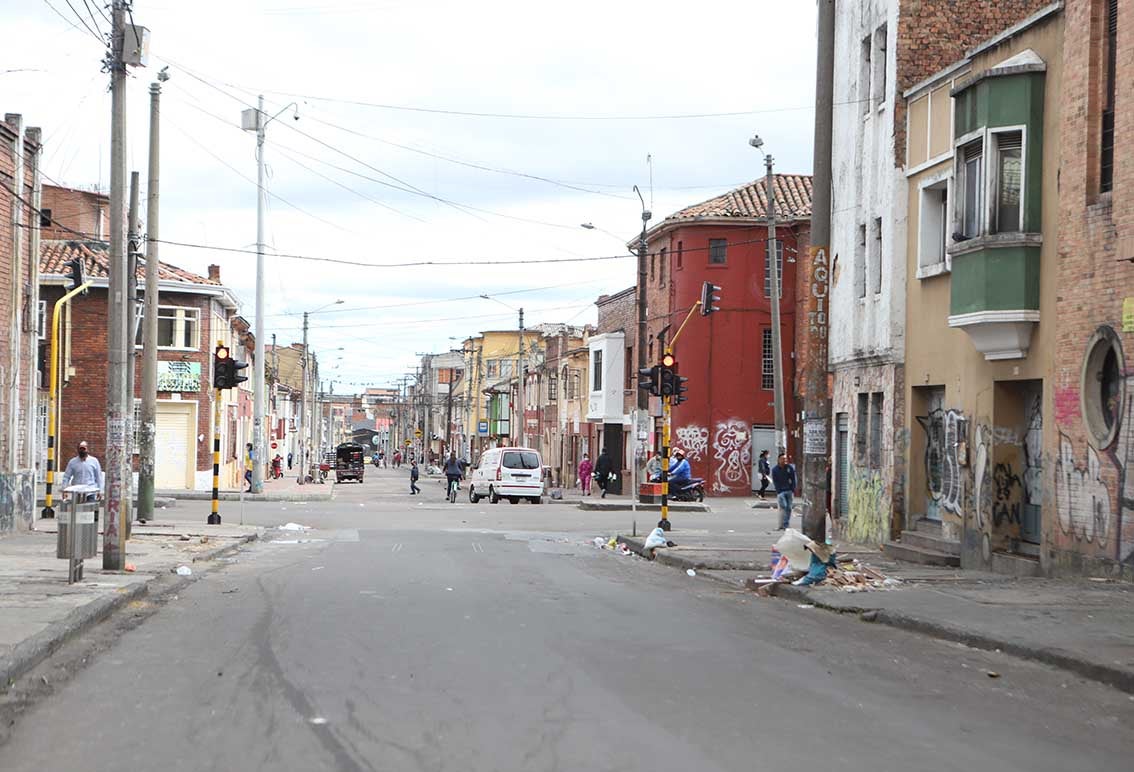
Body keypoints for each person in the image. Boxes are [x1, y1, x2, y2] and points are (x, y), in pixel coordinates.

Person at [771, 453, 797, 530]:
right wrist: (778, 491)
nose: (784, 460)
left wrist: (793, 488)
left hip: (789, 490)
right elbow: (775, 481)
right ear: (779, 460)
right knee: (783, 507)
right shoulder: (775, 469)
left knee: (789, 508)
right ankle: (780, 524)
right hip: (781, 491)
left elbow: (793, 478)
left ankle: (786, 524)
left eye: (785, 459)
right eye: (783, 459)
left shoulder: (789, 468)